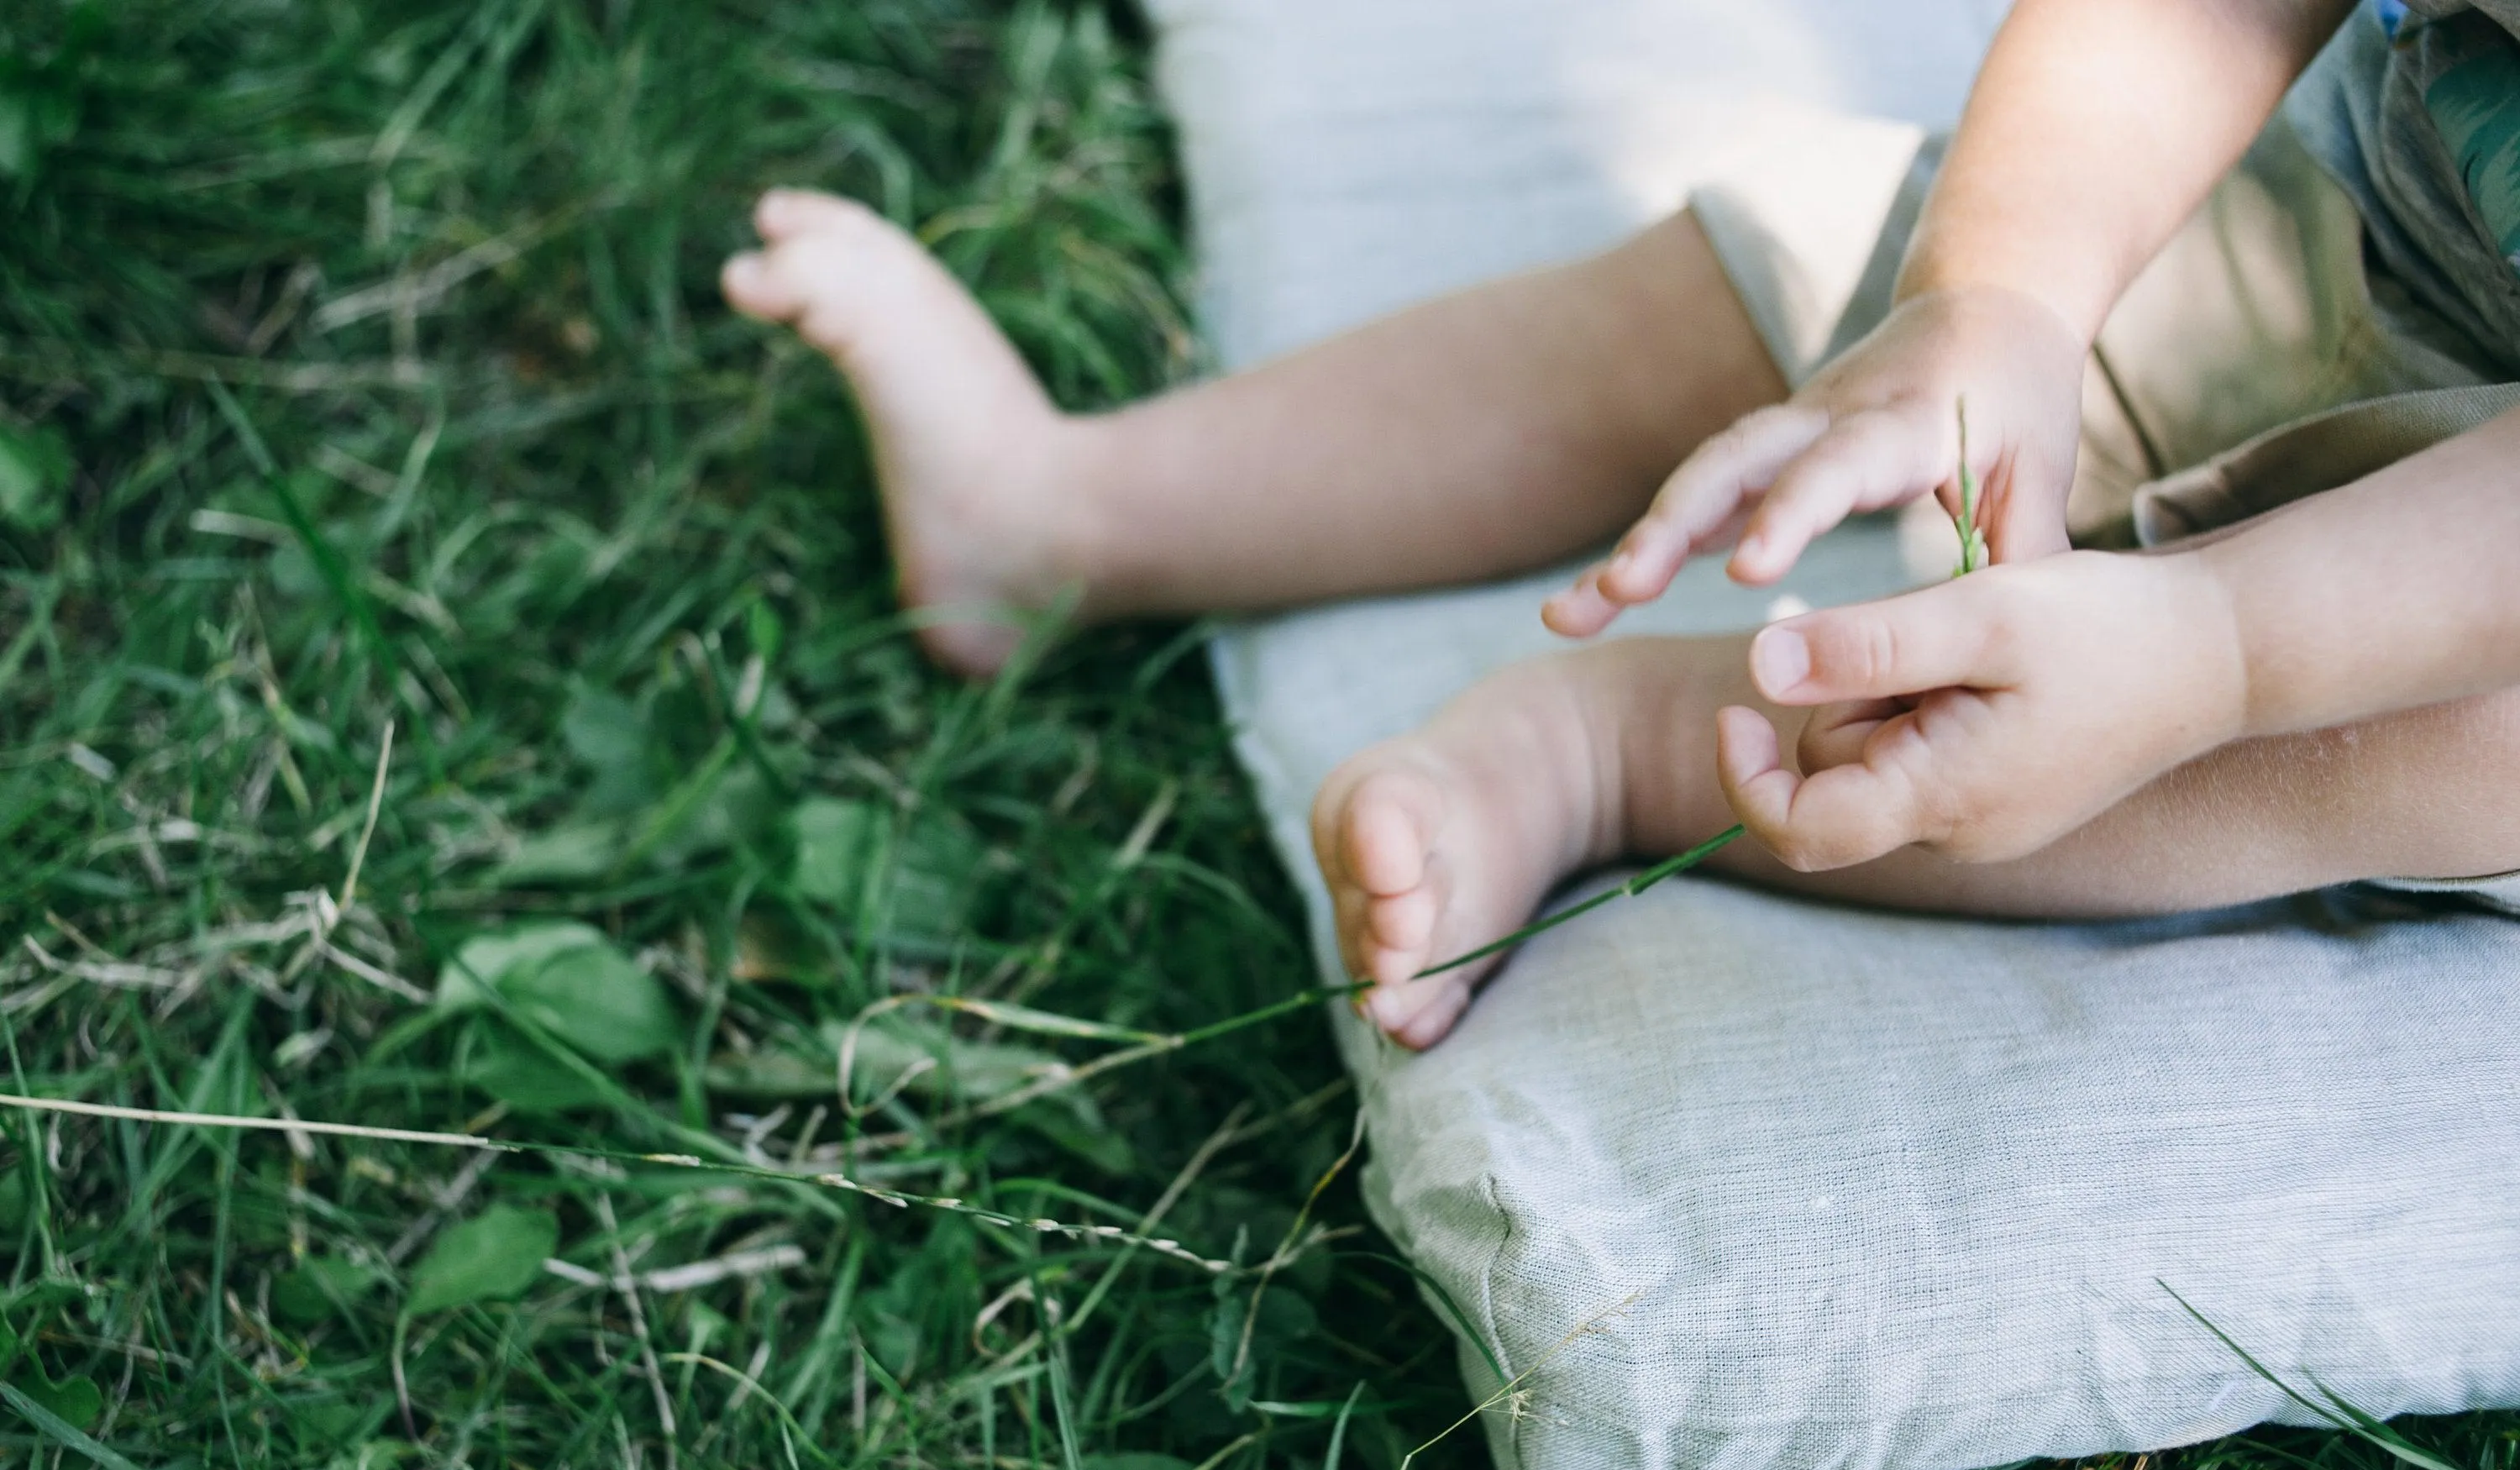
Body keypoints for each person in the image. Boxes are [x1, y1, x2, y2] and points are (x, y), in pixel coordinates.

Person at [721, 0, 2520, 1049]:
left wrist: (2220, 646)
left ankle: (1617, 756)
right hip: (2360, 221)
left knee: (2462, 740)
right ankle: (1069, 512)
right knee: (1846, 268)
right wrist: (2006, 291)